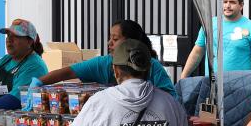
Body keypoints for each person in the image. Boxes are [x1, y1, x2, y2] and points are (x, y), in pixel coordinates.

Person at [31, 19, 177, 99]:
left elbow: (171, 100)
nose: (109, 43)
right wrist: (37, 83)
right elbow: (68, 72)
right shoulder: (103, 63)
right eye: (109, 38)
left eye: (115, 39)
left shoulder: (154, 67)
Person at [181, 0, 251, 77]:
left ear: (241, 5)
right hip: (213, 84)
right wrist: (183, 76)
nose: (227, 5)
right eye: (225, 2)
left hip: (241, 86)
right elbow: (197, 52)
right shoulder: (209, 24)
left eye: (232, 2)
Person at [0, 18, 48, 110]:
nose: (9, 40)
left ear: (29, 42)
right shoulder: (6, 59)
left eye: (16, 36)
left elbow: (15, 99)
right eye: (8, 35)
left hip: (16, 120)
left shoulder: (35, 66)